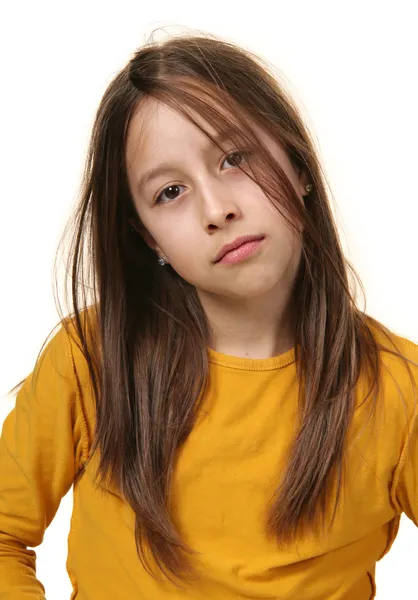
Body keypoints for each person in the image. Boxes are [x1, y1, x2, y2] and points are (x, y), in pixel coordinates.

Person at [0, 31, 417, 600]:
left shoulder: (399, 390)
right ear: (148, 238)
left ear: (297, 165)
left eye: (234, 158)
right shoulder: (91, 360)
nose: (218, 208)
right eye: (171, 191)